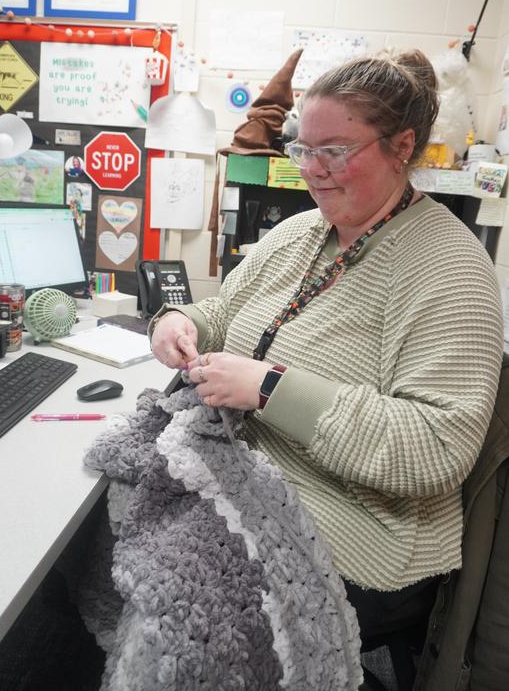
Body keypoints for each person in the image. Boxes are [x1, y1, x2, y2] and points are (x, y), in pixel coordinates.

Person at [149, 50, 503, 644]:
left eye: (334, 151)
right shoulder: (298, 233)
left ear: (402, 145)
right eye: (302, 149)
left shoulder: (450, 268)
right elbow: (227, 313)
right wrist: (178, 321)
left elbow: (437, 450)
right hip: (246, 478)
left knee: (175, 614)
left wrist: (269, 388)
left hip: (355, 537)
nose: (313, 169)